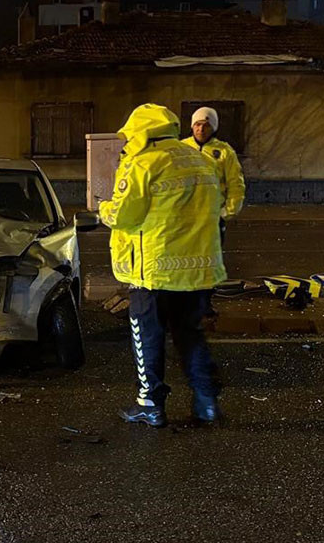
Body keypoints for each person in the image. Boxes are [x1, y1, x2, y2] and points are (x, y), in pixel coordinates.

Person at [99, 104, 227, 428]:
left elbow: (126, 215)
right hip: (197, 270)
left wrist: (104, 210)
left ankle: (150, 404)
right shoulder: (199, 159)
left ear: (140, 131)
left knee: (147, 336)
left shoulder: (144, 163)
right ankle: (206, 403)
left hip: (154, 270)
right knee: (190, 335)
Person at [182, 106, 245, 222]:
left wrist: (228, 211)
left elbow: (235, 183)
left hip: (212, 215)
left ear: (213, 128)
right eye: (197, 124)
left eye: (206, 125)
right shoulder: (181, 148)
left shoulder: (225, 151)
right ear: (192, 126)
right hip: (185, 215)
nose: (201, 129)